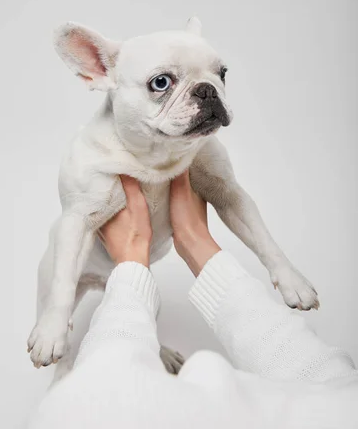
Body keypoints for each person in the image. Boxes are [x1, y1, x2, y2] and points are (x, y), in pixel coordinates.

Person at [28, 172, 358, 429]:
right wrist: (197, 241)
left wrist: (131, 263)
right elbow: (331, 381)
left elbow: (85, 408)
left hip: (127, 269)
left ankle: (133, 345)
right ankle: (71, 356)